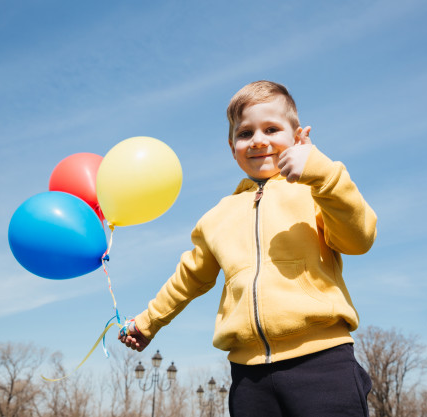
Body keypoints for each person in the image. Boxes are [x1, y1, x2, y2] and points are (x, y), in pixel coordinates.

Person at [118, 80, 377, 417]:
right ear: (232, 147)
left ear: (298, 136)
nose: (258, 140)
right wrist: (148, 322)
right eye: (245, 133)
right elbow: (189, 278)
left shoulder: (317, 191)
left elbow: (359, 239)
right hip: (248, 377)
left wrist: (322, 173)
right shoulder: (217, 217)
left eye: (271, 129)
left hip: (323, 362)